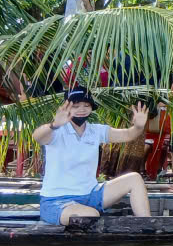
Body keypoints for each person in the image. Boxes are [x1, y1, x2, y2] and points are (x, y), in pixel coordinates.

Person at [35, 88, 151, 225]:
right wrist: (54, 124)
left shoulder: (96, 130)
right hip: (57, 201)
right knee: (90, 215)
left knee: (135, 179)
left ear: (91, 107)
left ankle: (147, 225)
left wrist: (138, 127)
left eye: (86, 105)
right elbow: (38, 137)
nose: (81, 109)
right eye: (76, 106)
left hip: (91, 195)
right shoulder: (56, 131)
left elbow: (127, 135)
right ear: (67, 108)